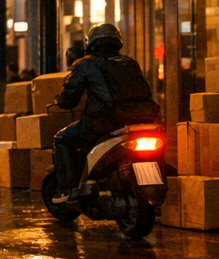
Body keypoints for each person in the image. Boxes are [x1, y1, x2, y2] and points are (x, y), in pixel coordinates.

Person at [51, 23, 160, 201]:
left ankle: (68, 189)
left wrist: (60, 101)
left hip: (103, 122)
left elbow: (69, 97)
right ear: (118, 43)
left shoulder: (85, 64)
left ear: (91, 44)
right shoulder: (129, 62)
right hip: (143, 120)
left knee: (62, 139)